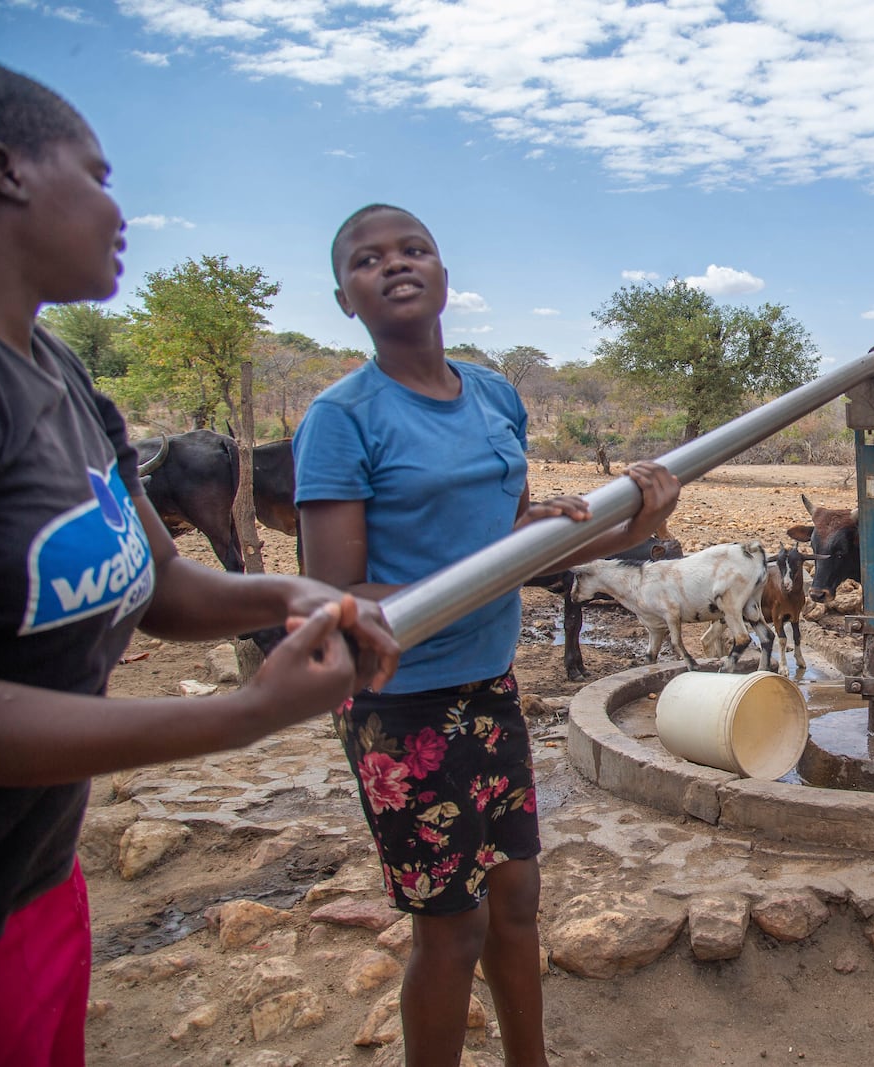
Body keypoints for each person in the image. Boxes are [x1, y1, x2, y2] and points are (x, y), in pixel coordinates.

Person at [0, 62, 401, 1067]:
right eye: (98, 171)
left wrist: (293, 589)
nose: (119, 206)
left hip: (33, 876)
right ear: (2, 171)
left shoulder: (62, 377)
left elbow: (161, 582)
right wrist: (239, 716)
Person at [295, 202, 679, 1067]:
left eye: (414, 249)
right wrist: (499, 553)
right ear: (344, 299)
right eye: (367, 259)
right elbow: (336, 593)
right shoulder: (342, 418)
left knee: (517, 901)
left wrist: (636, 522)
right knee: (453, 928)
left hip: (487, 684)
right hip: (399, 703)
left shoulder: (495, 394)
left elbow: (525, 545)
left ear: (442, 273)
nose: (395, 264)